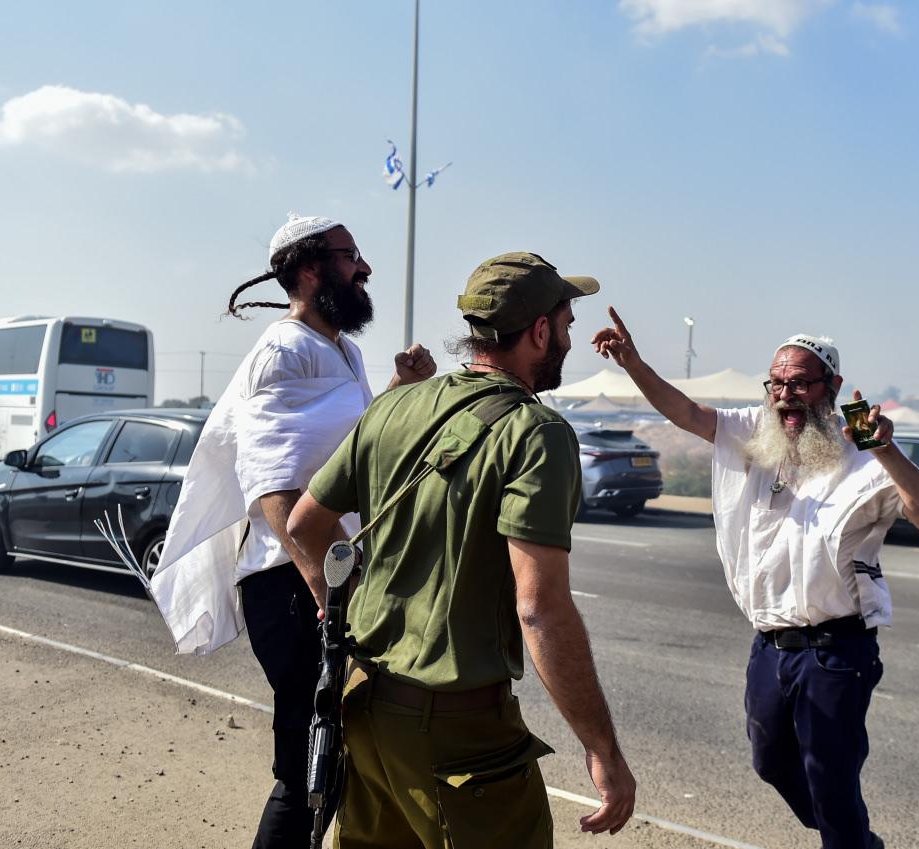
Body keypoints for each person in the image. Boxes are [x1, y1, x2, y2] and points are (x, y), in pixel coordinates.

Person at [287, 252, 636, 848]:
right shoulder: (537, 433)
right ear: (540, 330)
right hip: (460, 740)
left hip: (367, 717)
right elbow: (540, 609)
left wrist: (343, 598)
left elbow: (304, 524)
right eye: (567, 324)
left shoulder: (396, 405)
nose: (570, 340)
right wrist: (602, 749)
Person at [591, 308, 919, 849]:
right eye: (777, 383)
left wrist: (887, 449)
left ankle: (847, 838)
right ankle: (853, 838)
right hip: (770, 647)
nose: (785, 394)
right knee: (770, 763)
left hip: (836, 650)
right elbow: (686, 412)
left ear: (831, 387)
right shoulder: (753, 434)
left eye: (800, 383)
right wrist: (632, 362)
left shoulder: (867, 455)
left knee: (832, 781)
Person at [147, 213, 435, 849]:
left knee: (333, 764)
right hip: (293, 585)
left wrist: (398, 389)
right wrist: (322, 589)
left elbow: (346, 445)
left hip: (328, 580)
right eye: (352, 256)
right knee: (309, 768)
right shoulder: (284, 351)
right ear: (312, 270)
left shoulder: (341, 349)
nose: (365, 268)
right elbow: (273, 481)